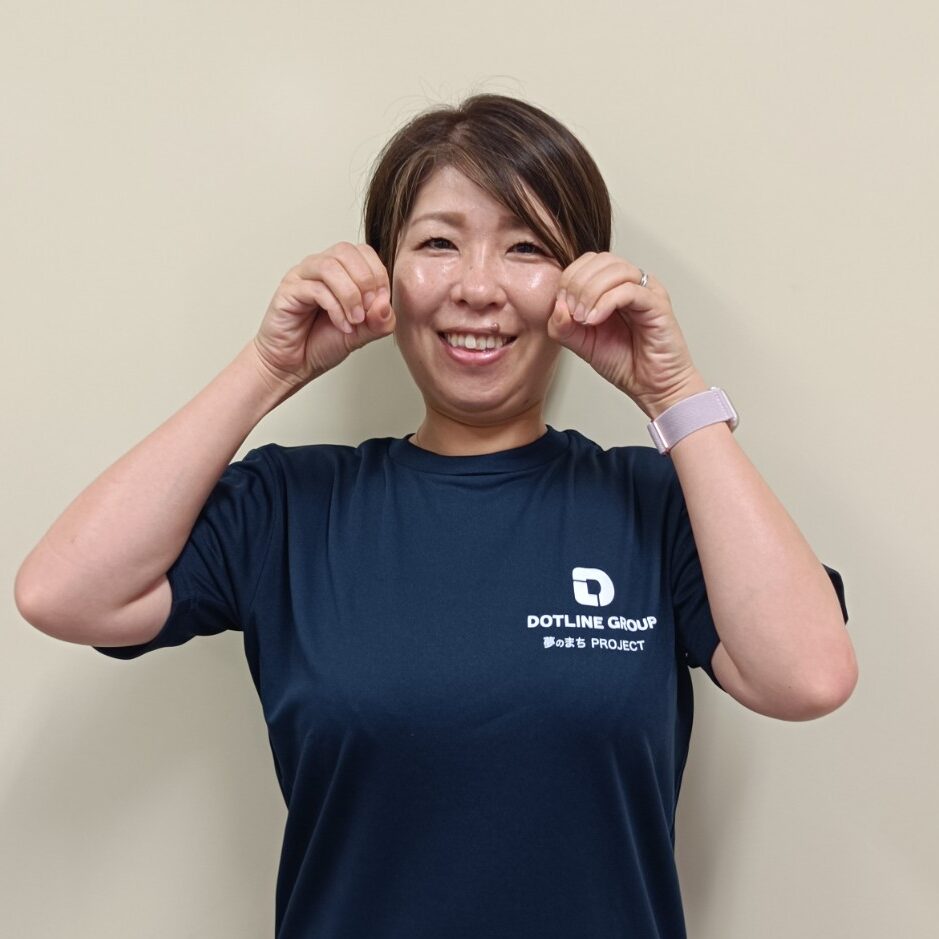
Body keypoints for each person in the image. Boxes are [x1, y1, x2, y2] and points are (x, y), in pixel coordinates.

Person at [14, 93, 857, 938]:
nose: (477, 288)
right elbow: (63, 593)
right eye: (438, 244)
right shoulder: (289, 506)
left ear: (579, 282)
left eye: (526, 247)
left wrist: (672, 393)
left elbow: (807, 676)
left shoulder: (657, 502)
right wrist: (269, 366)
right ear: (384, 274)